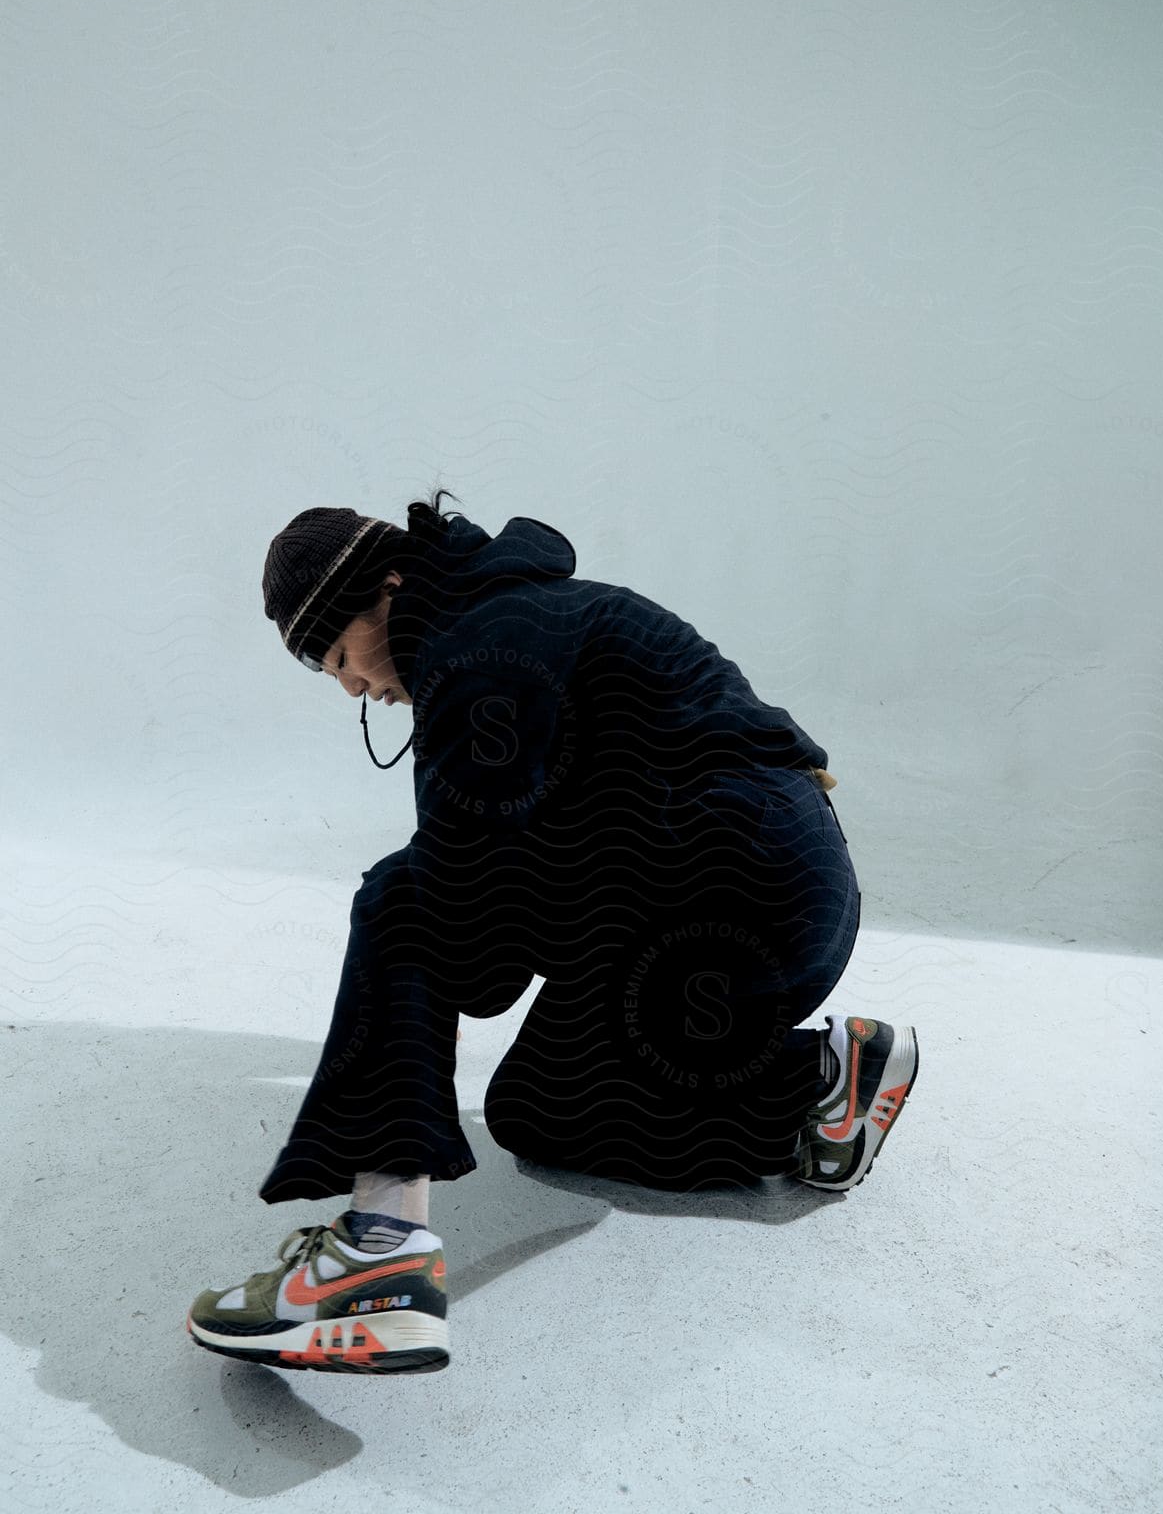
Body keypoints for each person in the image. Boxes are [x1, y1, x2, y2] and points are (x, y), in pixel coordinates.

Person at [185, 488, 919, 1374]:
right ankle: (822, 1084)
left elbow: (463, 938)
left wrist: (419, 988)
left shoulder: (481, 657)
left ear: (389, 582)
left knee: (400, 899)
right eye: (327, 673)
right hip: (749, 900)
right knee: (541, 1112)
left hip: (736, 887)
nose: (352, 686)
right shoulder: (515, 622)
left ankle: (379, 1251)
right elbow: (498, 927)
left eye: (340, 653)